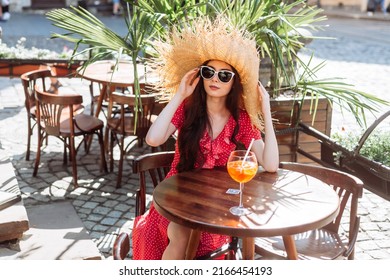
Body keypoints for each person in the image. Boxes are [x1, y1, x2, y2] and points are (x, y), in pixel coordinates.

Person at [132, 16, 279, 260]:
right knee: (180, 234)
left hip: (214, 202)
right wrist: (180, 94)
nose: (214, 79)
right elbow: (153, 139)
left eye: (224, 75)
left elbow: (271, 165)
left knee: (197, 237)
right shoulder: (187, 109)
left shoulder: (240, 119)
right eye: (209, 72)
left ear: (234, 83)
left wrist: (266, 112)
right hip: (176, 195)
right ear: (200, 76)